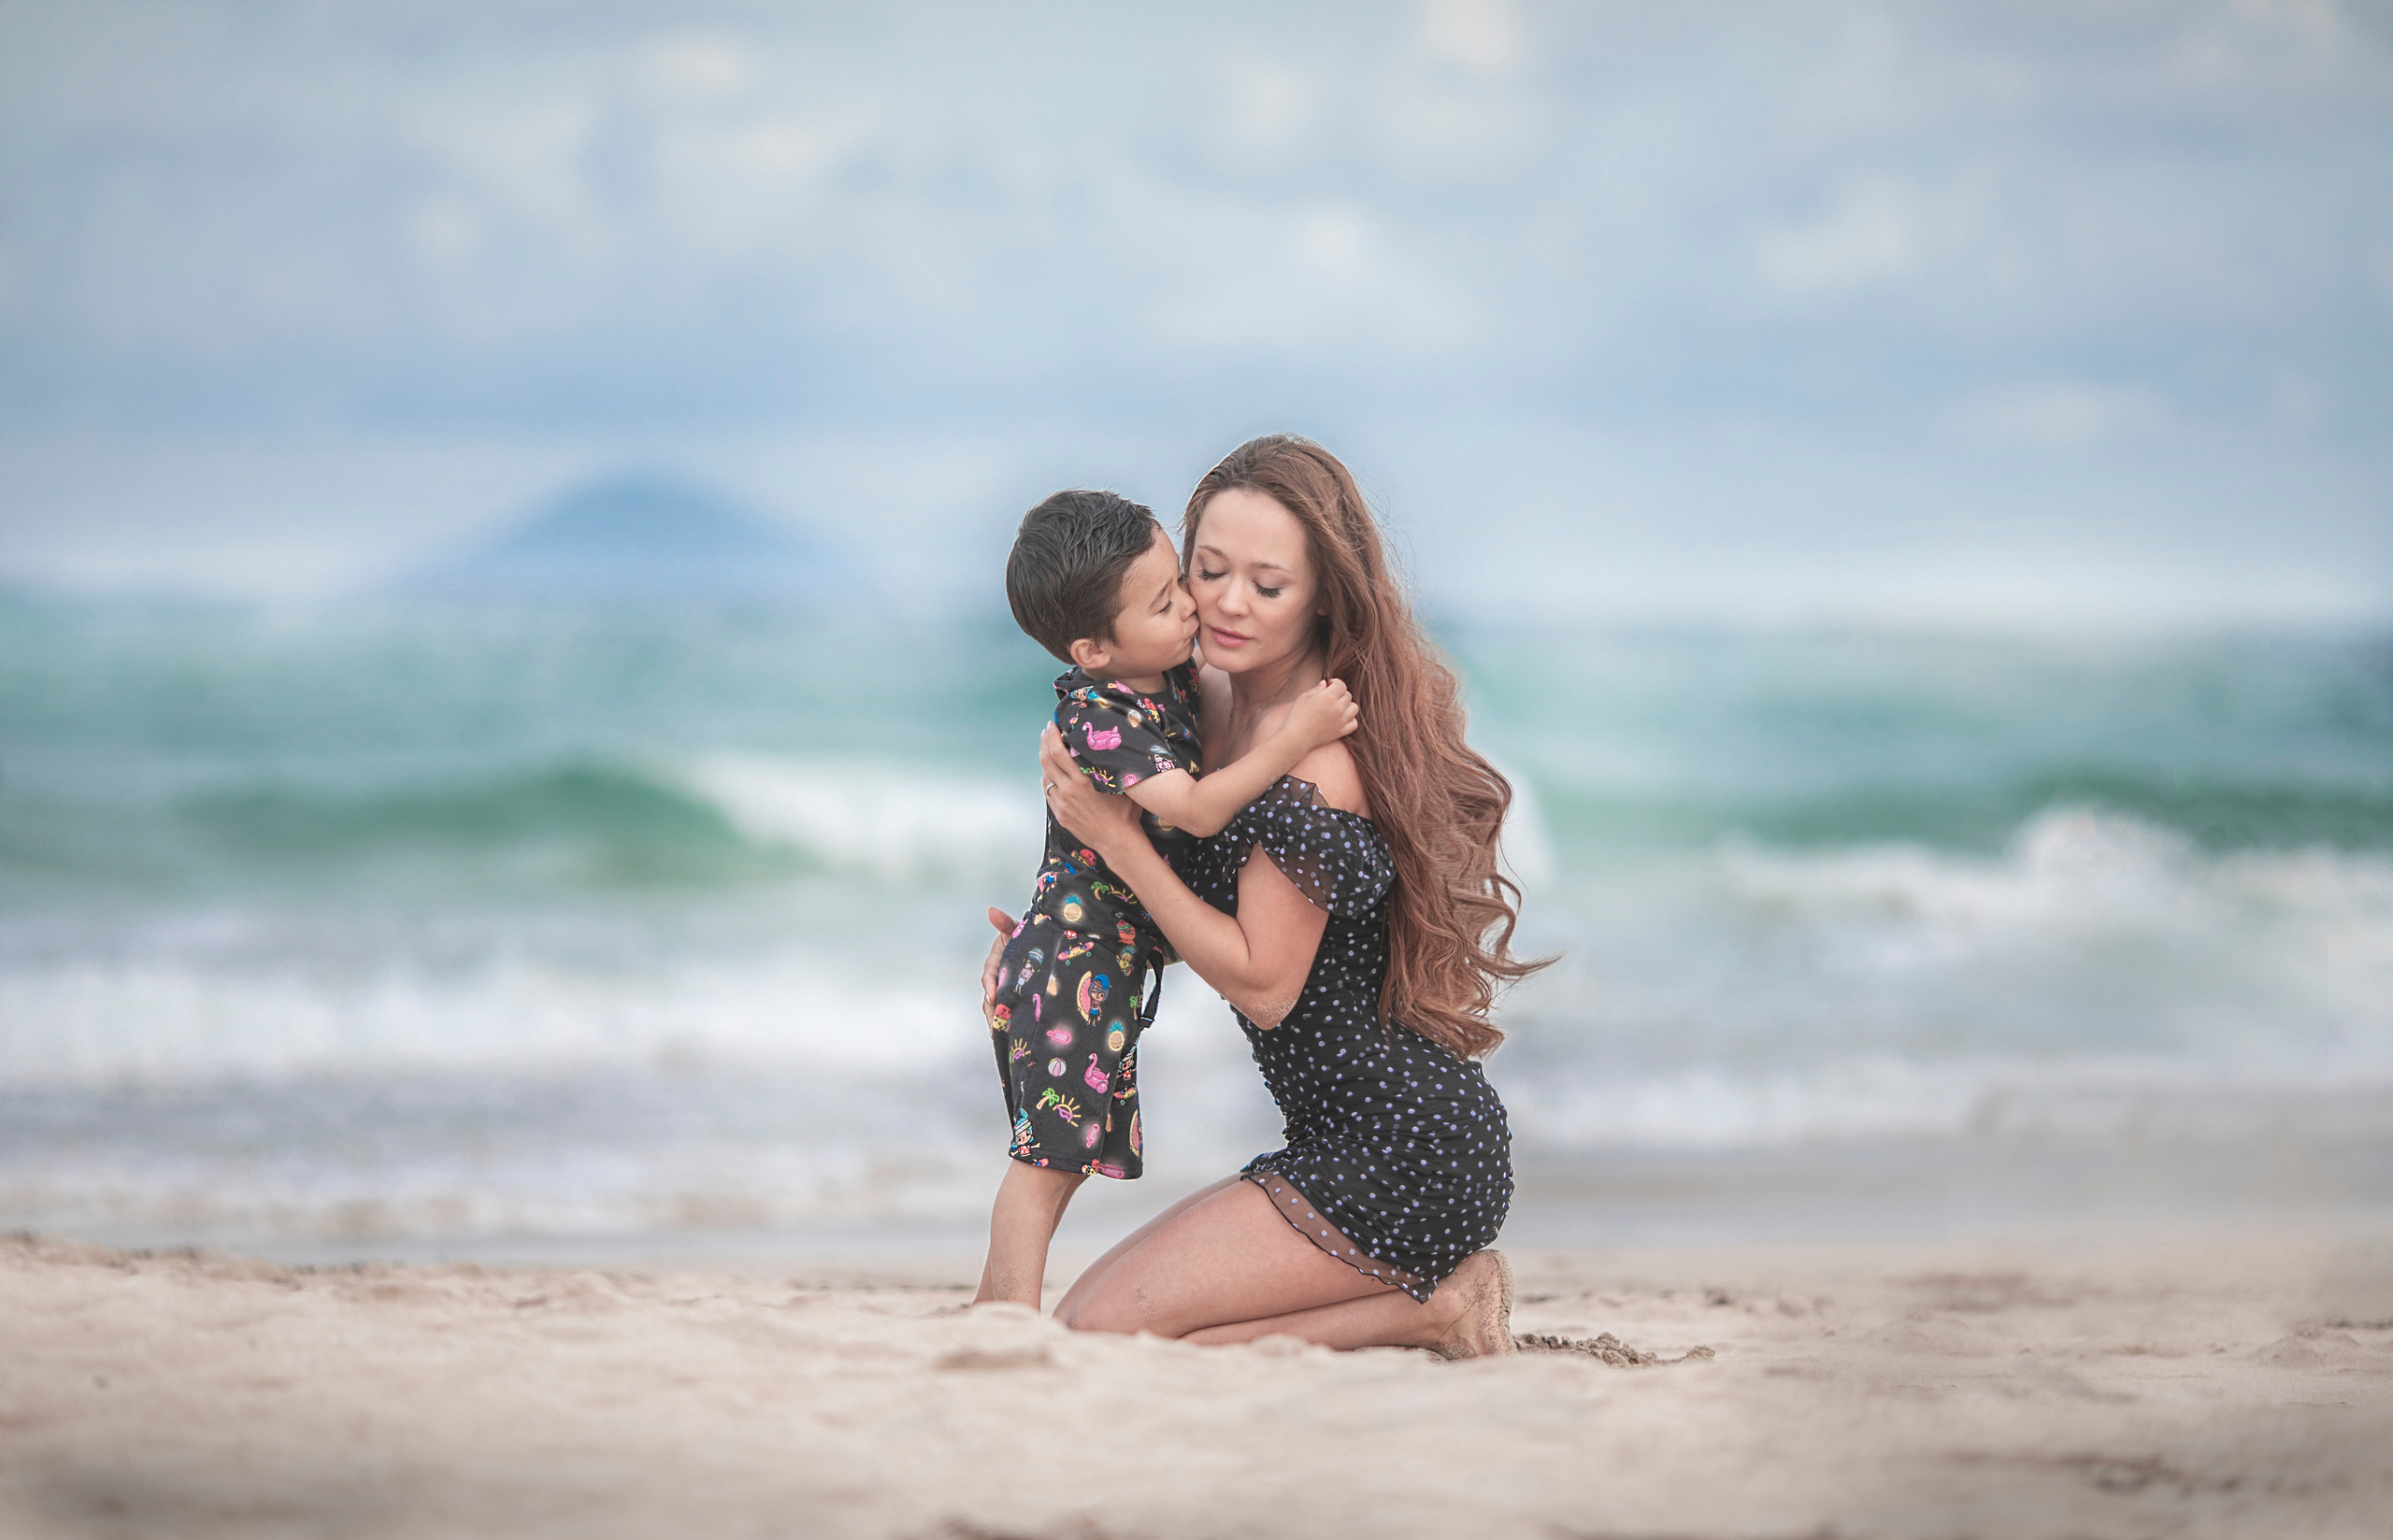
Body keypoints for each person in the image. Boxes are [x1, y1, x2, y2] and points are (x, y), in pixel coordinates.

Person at [989, 435, 1543, 1357]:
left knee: (1098, 1328)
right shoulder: (1201, 706)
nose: (1228, 604)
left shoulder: (1313, 764)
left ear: (1323, 594)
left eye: (1268, 584)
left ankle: (1433, 1308)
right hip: (1327, 1134)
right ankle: (1430, 1307)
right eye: (1207, 572)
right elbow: (1168, 901)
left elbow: (1264, 982)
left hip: (1402, 1149)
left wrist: (1122, 843)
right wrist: (1049, 950)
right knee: (1094, 1318)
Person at [975, 488, 1359, 1309]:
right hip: (1074, 959)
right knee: (1045, 1162)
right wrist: (1296, 735)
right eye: (1170, 599)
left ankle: (997, 1305)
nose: (1196, 605)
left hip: (1093, 956)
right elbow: (1194, 809)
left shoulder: (1169, 679)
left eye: (1181, 578)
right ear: (1092, 649)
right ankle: (1002, 1313)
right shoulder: (1101, 716)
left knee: (1061, 1152)